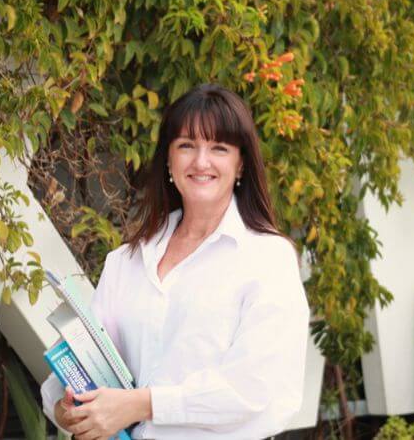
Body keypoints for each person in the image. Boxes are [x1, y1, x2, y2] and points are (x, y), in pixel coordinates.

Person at [41, 83, 310, 439]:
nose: (201, 161)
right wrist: (69, 410)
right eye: (186, 146)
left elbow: (252, 389)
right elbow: (78, 368)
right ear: (168, 159)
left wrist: (143, 404)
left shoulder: (267, 259)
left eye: (219, 147)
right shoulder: (126, 261)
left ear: (240, 162)